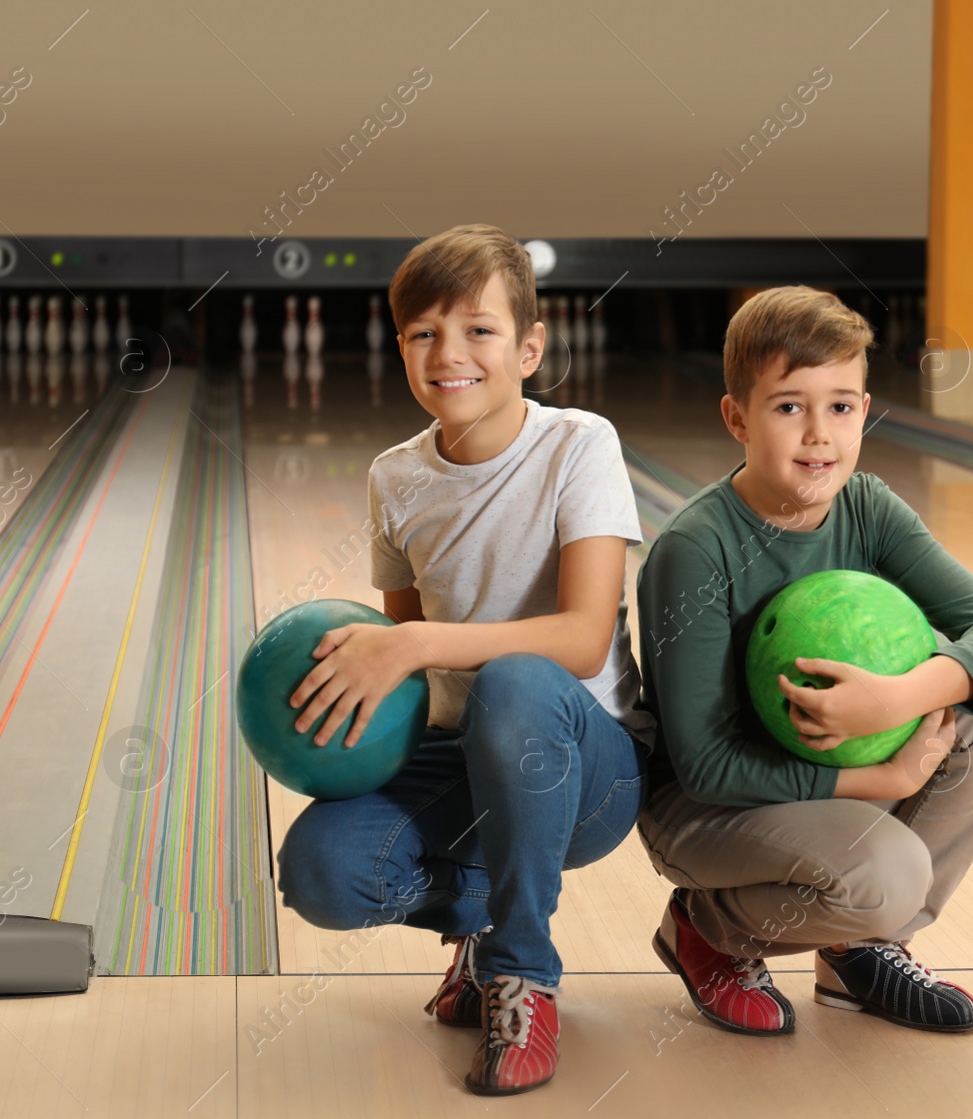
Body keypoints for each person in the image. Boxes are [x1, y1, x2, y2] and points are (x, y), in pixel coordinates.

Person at [275, 223, 653, 1096]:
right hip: (462, 760)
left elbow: (582, 637)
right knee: (321, 872)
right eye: (423, 334)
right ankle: (479, 925)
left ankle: (522, 973)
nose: (450, 353)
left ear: (528, 348)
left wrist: (413, 641)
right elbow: (412, 687)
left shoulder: (579, 444)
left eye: (478, 330)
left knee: (519, 680)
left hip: (587, 767)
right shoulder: (394, 478)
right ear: (401, 344)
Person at [636, 285, 973, 1036]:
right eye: (789, 406)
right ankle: (708, 928)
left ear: (865, 410)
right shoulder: (696, 551)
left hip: (822, 784)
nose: (818, 434)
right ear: (737, 417)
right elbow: (703, 768)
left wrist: (899, 698)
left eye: (842, 405)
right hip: (707, 811)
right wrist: (884, 778)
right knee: (887, 874)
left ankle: (860, 951)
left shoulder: (867, 507)